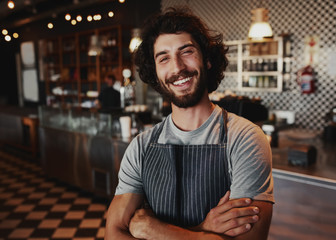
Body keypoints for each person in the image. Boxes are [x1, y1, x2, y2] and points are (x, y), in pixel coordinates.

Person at [105, 7, 274, 240]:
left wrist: (154, 229)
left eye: (186, 52)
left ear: (207, 60)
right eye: (163, 58)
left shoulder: (244, 138)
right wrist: (203, 230)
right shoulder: (141, 147)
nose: (177, 67)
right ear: (155, 73)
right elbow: (114, 234)